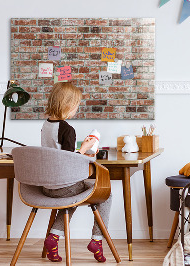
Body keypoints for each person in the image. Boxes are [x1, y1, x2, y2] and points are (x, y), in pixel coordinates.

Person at [41, 82, 111, 263]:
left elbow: (58, 154)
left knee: (71, 197)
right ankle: (97, 240)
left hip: (47, 186)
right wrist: (86, 148)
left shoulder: (46, 125)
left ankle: (53, 238)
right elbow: (68, 161)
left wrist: (80, 150)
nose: (76, 109)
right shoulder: (67, 129)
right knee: (106, 194)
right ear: (68, 105)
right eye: (76, 105)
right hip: (64, 186)